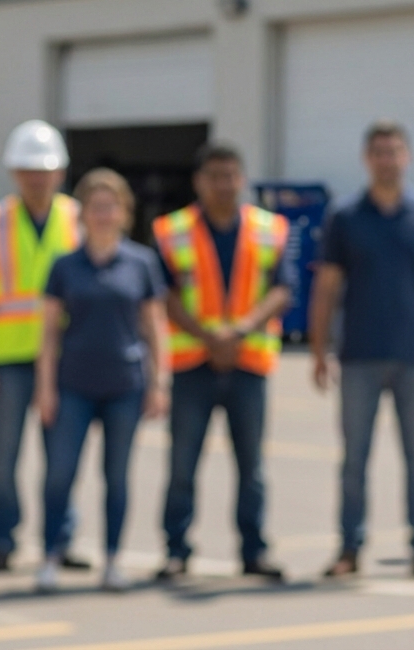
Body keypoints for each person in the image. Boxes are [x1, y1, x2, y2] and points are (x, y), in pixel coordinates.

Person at [309, 120, 414, 581]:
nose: (387, 160)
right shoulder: (345, 216)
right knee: (353, 460)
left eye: (394, 151)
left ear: (407, 157)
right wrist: (320, 350)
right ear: (366, 159)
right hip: (358, 356)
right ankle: (349, 549)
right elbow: (326, 287)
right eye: (378, 152)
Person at [152, 143, 293, 582]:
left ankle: (254, 551)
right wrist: (208, 336)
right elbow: (164, 294)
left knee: (251, 467)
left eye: (231, 175)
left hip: (247, 362)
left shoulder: (270, 229)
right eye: (214, 176)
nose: (223, 184)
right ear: (199, 181)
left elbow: (283, 290)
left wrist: (242, 328)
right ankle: (176, 550)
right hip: (194, 363)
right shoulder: (171, 230)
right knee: (182, 465)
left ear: (242, 179)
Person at [34, 169, 170, 593]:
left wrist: (158, 382)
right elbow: (50, 331)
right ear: (83, 214)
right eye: (95, 207)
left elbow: (154, 326)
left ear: (124, 213)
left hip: (124, 385)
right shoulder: (64, 265)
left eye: (111, 206)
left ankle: (112, 559)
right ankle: (51, 555)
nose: (103, 214)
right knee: (60, 474)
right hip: (74, 382)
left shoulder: (141, 263)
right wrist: (46, 387)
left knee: (117, 475)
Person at [0, 120, 85, 572]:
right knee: (2, 456)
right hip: (8, 357)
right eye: (28, 169)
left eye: (45, 169)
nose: (37, 177)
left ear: (60, 173)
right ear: (14, 173)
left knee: (62, 457)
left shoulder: (77, 219)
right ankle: (1, 538)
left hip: (63, 359)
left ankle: (60, 538)